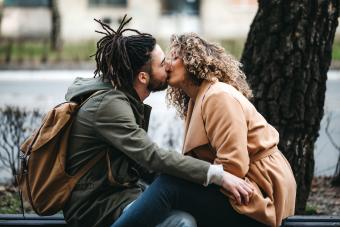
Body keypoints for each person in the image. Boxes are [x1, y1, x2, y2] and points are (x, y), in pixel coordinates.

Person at [62, 17, 254, 227]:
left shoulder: (121, 98)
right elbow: (151, 156)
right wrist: (216, 175)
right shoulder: (108, 106)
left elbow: (143, 165)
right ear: (143, 77)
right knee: (181, 222)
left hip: (119, 194)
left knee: (184, 206)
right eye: (162, 63)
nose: (169, 66)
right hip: (97, 206)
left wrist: (190, 182)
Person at [111, 33, 297, 227]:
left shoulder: (218, 97)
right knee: (168, 182)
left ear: (193, 62)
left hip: (259, 192)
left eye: (175, 58)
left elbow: (233, 167)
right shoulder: (197, 99)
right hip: (242, 188)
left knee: (169, 186)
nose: (167, 64)